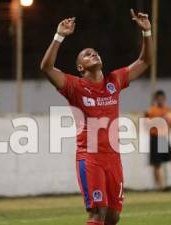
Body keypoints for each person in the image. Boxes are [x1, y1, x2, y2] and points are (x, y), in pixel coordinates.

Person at [40, 9, 152, 225]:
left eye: (95, 52)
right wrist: (59, 36)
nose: (94, 54)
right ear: (80, 67)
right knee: (96, 213)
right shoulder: (75, 86)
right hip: (90, 158)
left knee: (113, 216)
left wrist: (147, 32)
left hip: (113, 157)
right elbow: (46, 68)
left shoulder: (115, 81)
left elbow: (145, 61)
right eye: (87, 54)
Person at [145, 90, 171, 191]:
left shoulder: (168, 110)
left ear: (164, 99)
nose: (160, 100)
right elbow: (147, 124)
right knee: (157, 164)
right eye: (158, 98)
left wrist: (169, 123)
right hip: (155, 137)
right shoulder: (151, 111)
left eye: (162, 98)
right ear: (156, 99)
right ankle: (160, 187)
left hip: (162, 138)